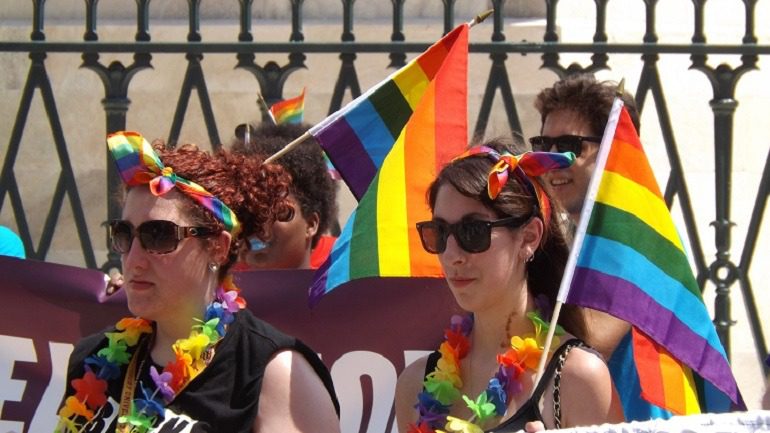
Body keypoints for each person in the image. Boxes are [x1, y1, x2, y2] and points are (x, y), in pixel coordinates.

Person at [57, 131, 340, 433]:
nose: (134, 259)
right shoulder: (94, 359)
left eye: (159, 235)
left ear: (217, 247)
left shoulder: (272, 373)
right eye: (124, 234)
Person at [394, 139, 623, 433]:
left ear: (529, 237)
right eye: (438, 232)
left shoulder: (578, 378)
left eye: (473, 231)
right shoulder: (415, 383)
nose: (452, 255)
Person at [531, 74, 668, 422]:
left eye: (570, 147)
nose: (551, 160)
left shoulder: (633, 238)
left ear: (613, 152)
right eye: (544, 145)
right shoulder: (577, 237)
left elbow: (590, 340)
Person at [232, 122, 338, 270]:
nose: (258, 225)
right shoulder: (210, 291)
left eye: (278, 211)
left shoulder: (348, 290)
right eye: (246, 213)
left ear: (311, 224)